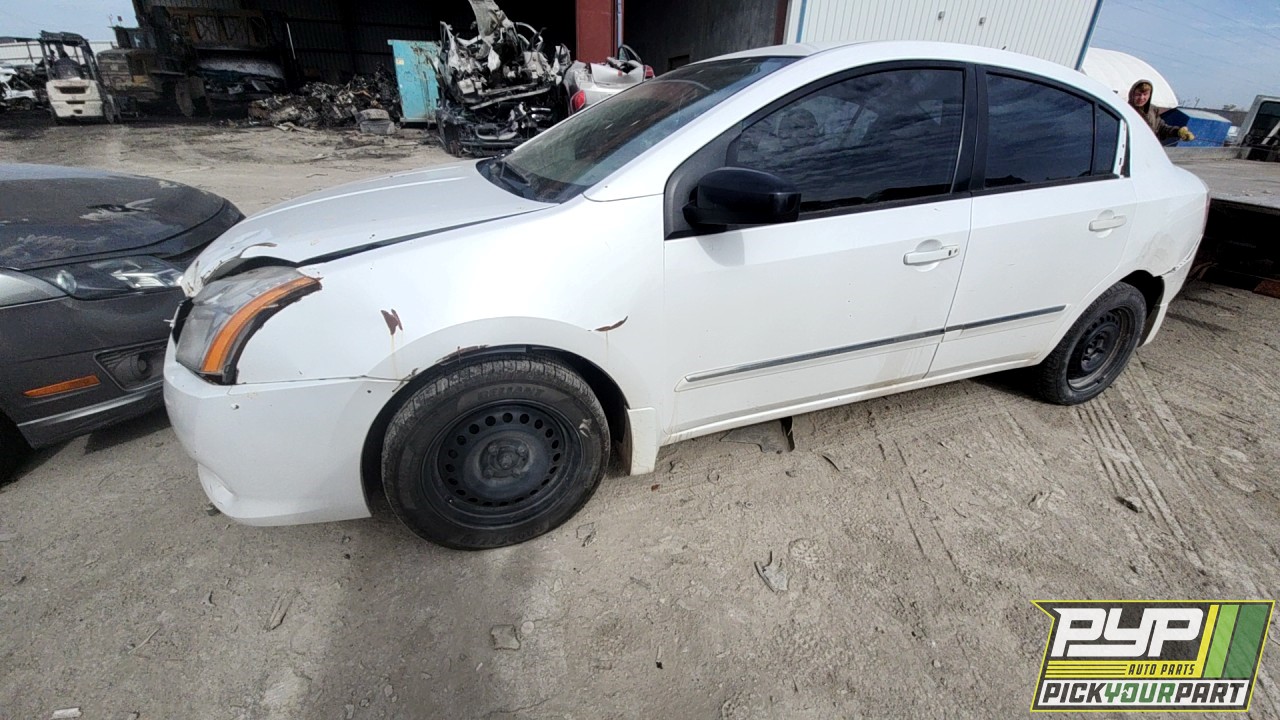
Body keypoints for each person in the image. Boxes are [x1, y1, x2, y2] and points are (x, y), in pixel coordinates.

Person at [1128, 80, 1194, 143]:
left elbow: (1161, 129)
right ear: (1132, 94)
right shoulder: (1127, 110)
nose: (1141, 98)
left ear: (1150, 95)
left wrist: (1178, 132)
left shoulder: (1153, 110)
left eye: (1145, 94)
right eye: (1138, 94)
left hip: (1149, 147)